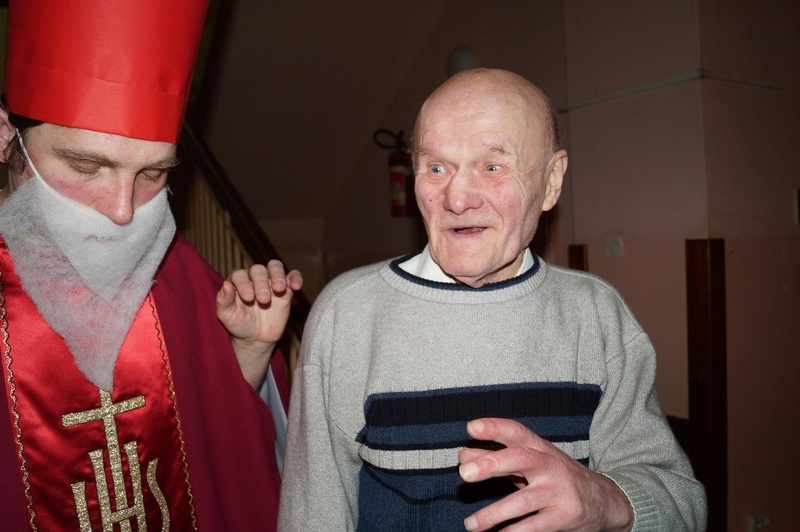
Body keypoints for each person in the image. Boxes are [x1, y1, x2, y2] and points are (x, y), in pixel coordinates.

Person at [278, 68, 706, 531]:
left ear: (552, 181)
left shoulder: (597, 315)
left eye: (492, 166)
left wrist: (603, 500)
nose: (457, 199)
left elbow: (683, 503)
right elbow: (311, 516)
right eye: (436, 168)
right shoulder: (348, 314)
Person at [0, 1, 301, 530]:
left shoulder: (178, 272)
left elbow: (225, 460)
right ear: (7, 137)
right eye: (86, 166)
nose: (123, 212)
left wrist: (250, 355)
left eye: (154, 174)